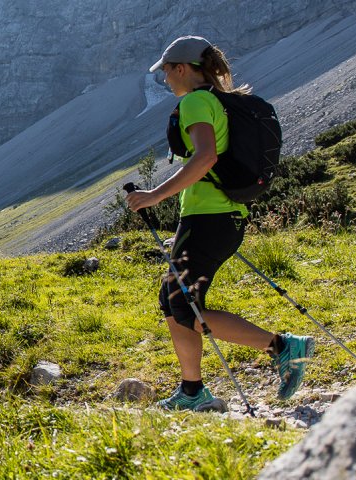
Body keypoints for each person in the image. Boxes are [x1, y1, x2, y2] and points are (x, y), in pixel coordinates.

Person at [126, 36, 314, 411]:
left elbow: (205, 157)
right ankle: (192, 391)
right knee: (173, 301)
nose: (164, 78)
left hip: (208, 218)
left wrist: (153, 195)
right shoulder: (219, 102)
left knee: (184, 308)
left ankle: (282, 346)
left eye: (166, 70)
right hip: (219, 217)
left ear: (181, 68)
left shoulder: (196, 102)